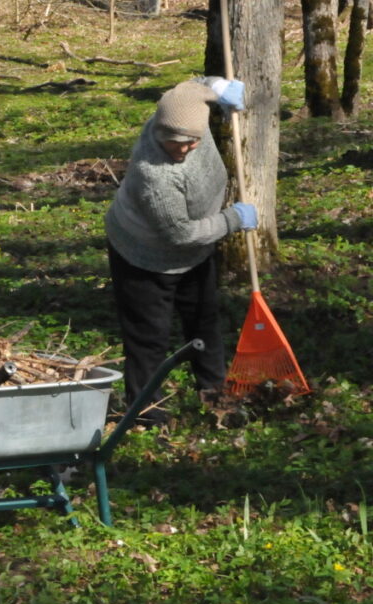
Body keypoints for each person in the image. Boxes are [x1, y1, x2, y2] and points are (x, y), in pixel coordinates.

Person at [105, 77, 257, 428]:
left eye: (192, 141)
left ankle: (216, 396)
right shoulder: (153, 175)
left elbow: (194, 87)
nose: (184, 148)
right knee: (149, 337)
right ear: (159, 132)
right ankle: (146, 414)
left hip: (196, 249)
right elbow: (180, 234)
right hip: (144, 257)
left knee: (204, 322)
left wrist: (220, 89)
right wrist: (231, 220)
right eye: (174, 142)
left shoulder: (185, 113)